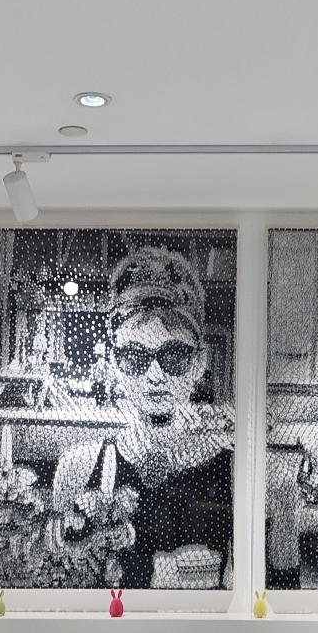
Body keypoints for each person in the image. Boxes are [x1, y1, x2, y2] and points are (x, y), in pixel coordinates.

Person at [53, 246, 232, 589]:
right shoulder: (80, 468)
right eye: (135, 357)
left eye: (174, 356)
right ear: (115, 363)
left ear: (200, 362)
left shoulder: (228, 471)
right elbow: (68, 586)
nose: (155, 376)